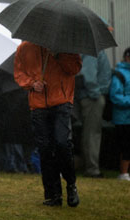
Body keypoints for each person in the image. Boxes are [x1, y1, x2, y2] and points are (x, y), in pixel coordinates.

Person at [14, 41, 82, 207]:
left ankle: (71, 184)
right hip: (38, 104)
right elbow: (19, 73)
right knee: (45, 149)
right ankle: (53, 194)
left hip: (62, 101)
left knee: (62, 144)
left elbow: (74, 69)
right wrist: (31, 83)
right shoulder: (24, 47)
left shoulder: (67, 47)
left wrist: (58, 55)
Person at [73, 50, 112, 178]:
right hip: (92, 97)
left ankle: (88, 165)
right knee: (92, 134)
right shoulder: (93, 50)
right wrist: (96, 93)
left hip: (90, 95)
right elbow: (88, 74)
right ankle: (92, 169)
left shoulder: (91, 49)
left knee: (89, 133)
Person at [109, 46, 130, 181]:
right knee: (127, 144)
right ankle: (124, 172)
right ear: (128, 58)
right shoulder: (119, 74)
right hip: (123, 117)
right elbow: (115, 96)